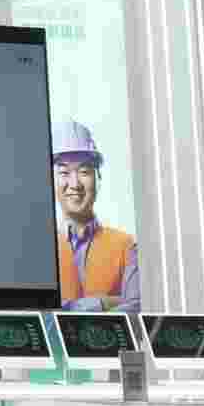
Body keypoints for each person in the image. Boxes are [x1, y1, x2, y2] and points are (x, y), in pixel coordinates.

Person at [50, 122, 135, 300]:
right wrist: (105, 303)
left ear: (98, 178)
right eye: (64, 172)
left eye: (84, 171)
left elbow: (135, 305)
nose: (75, 184)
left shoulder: (125, 246)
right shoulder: (39, 248)